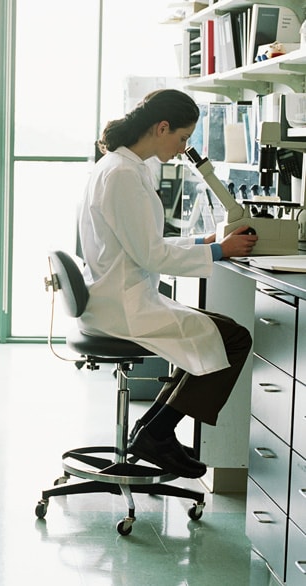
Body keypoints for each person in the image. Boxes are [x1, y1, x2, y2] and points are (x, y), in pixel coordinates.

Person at [78, 88, 256, 479]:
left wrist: (203, 242)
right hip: (123, 307)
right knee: (233, 338)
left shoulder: (122, 166)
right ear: (162, 127)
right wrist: (221, 252)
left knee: (208, 336)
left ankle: (153, 430)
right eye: (182, 138)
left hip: (119, 296)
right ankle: (158, 432)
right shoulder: (124, 174)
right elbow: (151, 255)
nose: (182, 148)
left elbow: (145, 244)